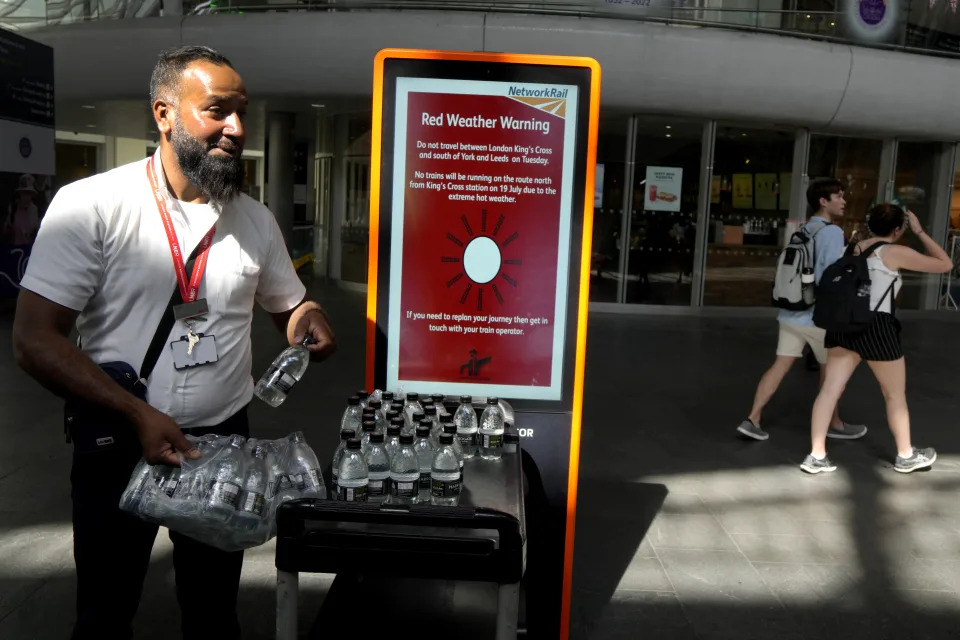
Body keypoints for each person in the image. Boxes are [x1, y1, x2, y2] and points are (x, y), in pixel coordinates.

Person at [11, 45, 336, 639]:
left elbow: (288, 305)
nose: (236, 128)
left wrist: (306, 320)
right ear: (164, 113)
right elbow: (33, 339)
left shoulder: (254, 220)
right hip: (119, 441)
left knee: (213, 612)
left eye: (242, 112)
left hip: (223, 447)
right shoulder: (92, 207)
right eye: (217, 111)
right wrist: (137, 413)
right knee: (106, 614)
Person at [801, 204, 951, 474]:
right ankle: (906, 455)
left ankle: (816, 455)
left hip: (844, 324)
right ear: (897, 229)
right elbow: (946, 264)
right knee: (894, 395)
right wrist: (919, 231)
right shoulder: (895, 252)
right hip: (876, 326)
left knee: (829, 390)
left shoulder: (851, 248)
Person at [736, 178, 866, 441]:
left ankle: (753, 418)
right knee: (830, 373)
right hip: (817, 318)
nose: (843, 201)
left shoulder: (803, 229)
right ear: (823, 201)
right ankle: (834, 424)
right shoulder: (831, 232)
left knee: (780, 365)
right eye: (839, 196)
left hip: (790, 312)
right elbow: (831, 278)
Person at [3, 174, 40, 244]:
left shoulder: (36, 210)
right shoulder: (13, 208)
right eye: (24, 193)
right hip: (14, 249)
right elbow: (6, 232)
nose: (26, 197)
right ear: (20, 194)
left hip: (30, 250)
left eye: (29, 194)